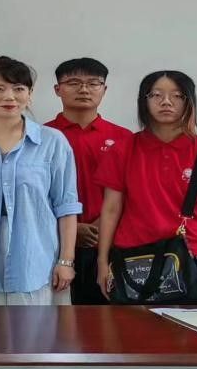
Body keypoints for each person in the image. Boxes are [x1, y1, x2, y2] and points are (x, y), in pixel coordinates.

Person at [95, 71, 197, 305]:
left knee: (196, 328)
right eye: (156, 95)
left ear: (189, 101)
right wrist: (103, 262)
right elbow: (111, 209)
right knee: (134, 328)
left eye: (177, 95)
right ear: (144, 101)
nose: (166, 102)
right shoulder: (123, 150)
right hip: (135, 257)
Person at [0, 56, 81, 306]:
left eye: (18, 89)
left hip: (36, 259)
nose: (9, 97)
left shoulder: (52, 141)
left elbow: (66, 205)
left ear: (29, 95)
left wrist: (66, 260)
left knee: (38, 329)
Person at [45, 58, 133, 305]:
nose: (84, 89)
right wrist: (73, 229)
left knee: (107, 318)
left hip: (108, 243)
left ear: (104, 89)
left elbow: (133, 192)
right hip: (54, 244)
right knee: (57, 319)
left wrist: (99, 226)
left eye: (93, 83)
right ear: (57, 89)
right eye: (74, 82)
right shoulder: (42, 137)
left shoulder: (124, 138)